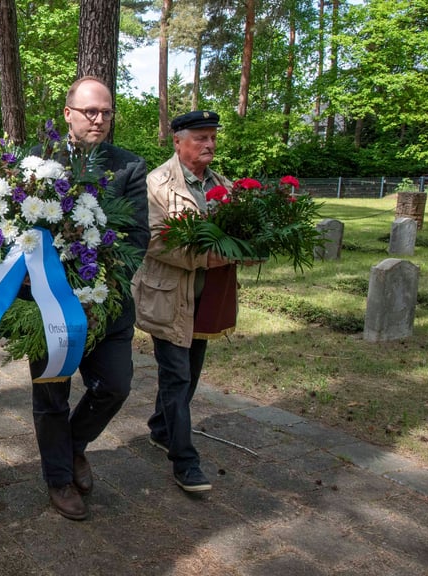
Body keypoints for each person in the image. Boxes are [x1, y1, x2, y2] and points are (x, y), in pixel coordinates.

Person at [27, 76, 150, 520]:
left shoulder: (130, 167)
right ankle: (59, 479)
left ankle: (75, 444)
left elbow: (137, 239)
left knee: (115, 386)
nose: (99, 119)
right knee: (51, 399)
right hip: (49, 311)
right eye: (89, 112)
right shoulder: (37, 166)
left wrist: (97, 290)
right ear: (68, 114)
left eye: (106, 112)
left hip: (108, 305)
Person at [132, 109, 242, 493]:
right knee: (177, 377)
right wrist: (206, 257)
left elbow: (236, 228)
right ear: (177, 141)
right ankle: (184, 460)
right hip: (168, 297)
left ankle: (161, 429)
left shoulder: (223, 184)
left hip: (208, 298)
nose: (209, 144)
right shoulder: (156, 185)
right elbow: (154, 240)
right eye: (200, 137)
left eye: (212, 137)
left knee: (191, 373)